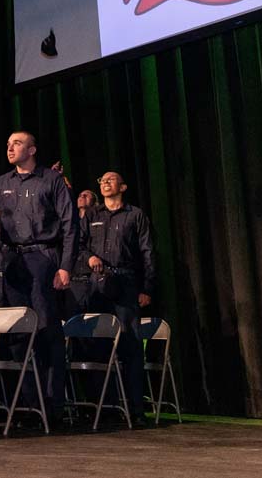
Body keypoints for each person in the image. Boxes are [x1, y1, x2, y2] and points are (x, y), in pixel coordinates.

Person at [0, 131, 76, 424]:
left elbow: (70, 225)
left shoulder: (51, 180)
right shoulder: (2, 183)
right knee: (19, 333)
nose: (10, 147)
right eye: (8, 143)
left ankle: (53, 405)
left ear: (32, 149)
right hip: (13, 261)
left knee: (47, 330)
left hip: (43, 257)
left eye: (17, 143)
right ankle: (29, 405)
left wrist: (66, 266)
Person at [83, 171, 156, 426]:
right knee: (98, 345)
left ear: (122, 186)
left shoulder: (135, 215)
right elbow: (79, 245)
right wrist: (88, 258)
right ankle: (104, 407)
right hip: (98, 283)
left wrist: (146, 287)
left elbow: (147, 252)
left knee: (130, 345)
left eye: (110, 179)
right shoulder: (92, 215)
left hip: (126, 282)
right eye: (101, 179)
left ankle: (136, 409)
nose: (104, 182)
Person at [62, 189, 99, 319]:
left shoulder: (97, 222)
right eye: (80, 195)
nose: (81, 197)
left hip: (92, 278)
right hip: (73, 280)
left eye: (86, 195)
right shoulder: (71, 222)